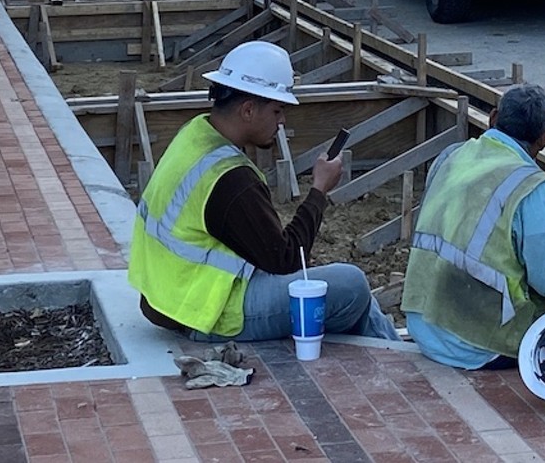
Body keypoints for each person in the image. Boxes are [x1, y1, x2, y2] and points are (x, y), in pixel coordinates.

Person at [128, 41, 398, 344]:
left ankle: (388, 344)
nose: (282, 122)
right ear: (247, 110)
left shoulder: (195, 133)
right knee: (352, 287)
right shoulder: (231, 179)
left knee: (352, 301)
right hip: (208, 313)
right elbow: (287, 260)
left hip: (165, 299)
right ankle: (394, 354)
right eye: (277, 110)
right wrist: (319, 191)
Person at [402, 83, 545, 371]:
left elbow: (481, 236)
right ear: (544, 138)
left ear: (493, 118)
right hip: (476, 344)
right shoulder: (530, 184)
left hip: (425, 324)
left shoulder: (452, 157)